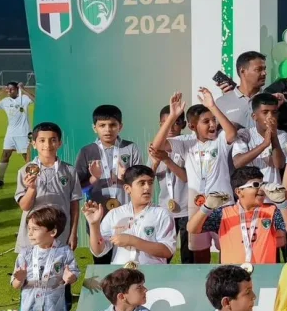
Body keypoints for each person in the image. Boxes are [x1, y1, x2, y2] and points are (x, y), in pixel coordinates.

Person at [151, 90, 240, 262]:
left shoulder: (220, 140)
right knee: (200, 254)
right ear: (192, 126)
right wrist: (172, 117)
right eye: (206, 121)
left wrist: (213, 107)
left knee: (227, 250)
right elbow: (157, 146)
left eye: (213, 120)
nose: (212, 124)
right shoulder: (186, 142)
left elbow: (232, 134)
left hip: (224, 204)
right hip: (197, 207)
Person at [77, 105, 145, 264]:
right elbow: (79, 188)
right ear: (95, 128)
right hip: (98, 216)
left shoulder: (130, 148)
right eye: (102, 125)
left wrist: (126, 177)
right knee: (101, 260)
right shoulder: (86, 152)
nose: (108, 130)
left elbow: (141, 184)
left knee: (128, 259)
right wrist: (93, 179)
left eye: (113, 125)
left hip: (127, 214)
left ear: (120, 126)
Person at [187, 166, 287, 264]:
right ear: (239, 192)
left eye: (263, 185)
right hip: (231, 279)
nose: (261, 189)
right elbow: (192, 229)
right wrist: (206, 208)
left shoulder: (272, 211)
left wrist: (282, 203)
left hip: (264, 276)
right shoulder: (224, 213)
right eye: (255, 185)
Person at [10, 207, 79, 311]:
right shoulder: (25, 254)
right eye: (29, 228)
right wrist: (20, 278)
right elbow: (15, 285)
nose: (29, 233)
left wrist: (70, 277)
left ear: (52, 232)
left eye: (35, 229)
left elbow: (73, 275)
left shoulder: (65, 252)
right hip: (30, 308)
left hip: (54, 308)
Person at [85, 166, 177, 265]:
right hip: (120, 276)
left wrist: (132, 241)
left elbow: (168, 251)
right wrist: (94, 225)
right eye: (142, 183)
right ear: (127, 188)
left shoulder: (162, 214)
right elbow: (98, 251)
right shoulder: (115, 214)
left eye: (150, 183)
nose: (147, 187)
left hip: (151, 275)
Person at [14, 123, 82, 252]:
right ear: (34, 144)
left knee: (59, 270)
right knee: (30, 271)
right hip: (32, 235)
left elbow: (74, 205)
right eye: (42, 140)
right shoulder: (24, 171)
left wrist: (73, 233)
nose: (47, 145)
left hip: (60, 232)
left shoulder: (69, 171)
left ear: (60, 143)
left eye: (53, 140)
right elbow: (24, 206)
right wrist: (32, 189)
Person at [150, 105, 191, 263]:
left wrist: (167, 159)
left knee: (188, 254)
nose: (171, 127)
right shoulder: (156, 147)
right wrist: (155, 161)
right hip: (165, 208)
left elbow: (186, 177)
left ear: (184, 125)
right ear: (161, 125)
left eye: (175, 122)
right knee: (163, 254)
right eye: (166, 123)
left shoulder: (188, 144)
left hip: (187, 208)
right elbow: (148, 176)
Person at [231, 93, 287, 184]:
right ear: (254, 116)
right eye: (265, 112)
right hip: (250, 191)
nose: (270, 117)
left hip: (273, 192)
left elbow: (279, 164)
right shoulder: (245, 134)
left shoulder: (281, 135)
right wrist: (264, 145)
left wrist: (273, 137)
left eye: (274, 112)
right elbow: (238, 163)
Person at [0, 81, 33, 187]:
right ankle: (0, 179)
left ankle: (32, 180)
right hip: (10, 133)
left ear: (17, 89)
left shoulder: (24, 99)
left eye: (12, 89)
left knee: (27, 157)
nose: (9, 91)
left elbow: (36, 100)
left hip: (23, 133)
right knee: (5, 155)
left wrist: (24, 89)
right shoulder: (5, 101)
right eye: (8, 89)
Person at [215, 50, 267, 131]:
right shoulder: (221, 103)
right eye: (258, 69)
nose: (264, 73)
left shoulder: (270, 99)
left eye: (264, 69)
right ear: (242, 71)